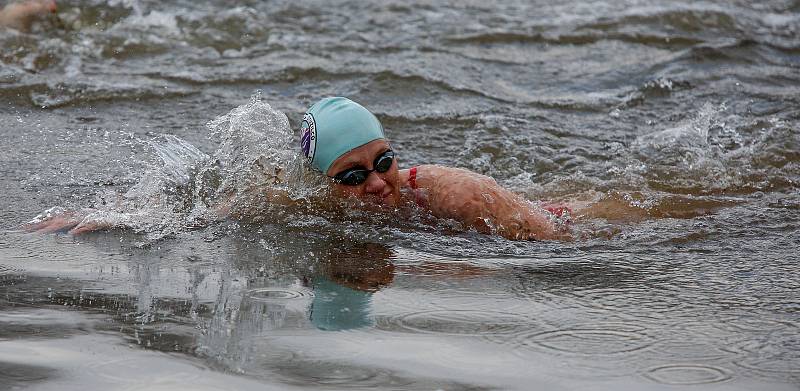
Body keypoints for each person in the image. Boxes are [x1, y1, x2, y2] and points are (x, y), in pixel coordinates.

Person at [24, 97, 575, 240]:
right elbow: (201, 210)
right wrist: (116, 216)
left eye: (383, 161)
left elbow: (557, 243)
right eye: (354, 176)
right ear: (320, 182)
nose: (378, 181)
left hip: (566, 215)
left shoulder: (457, 195)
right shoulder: (300, 198)